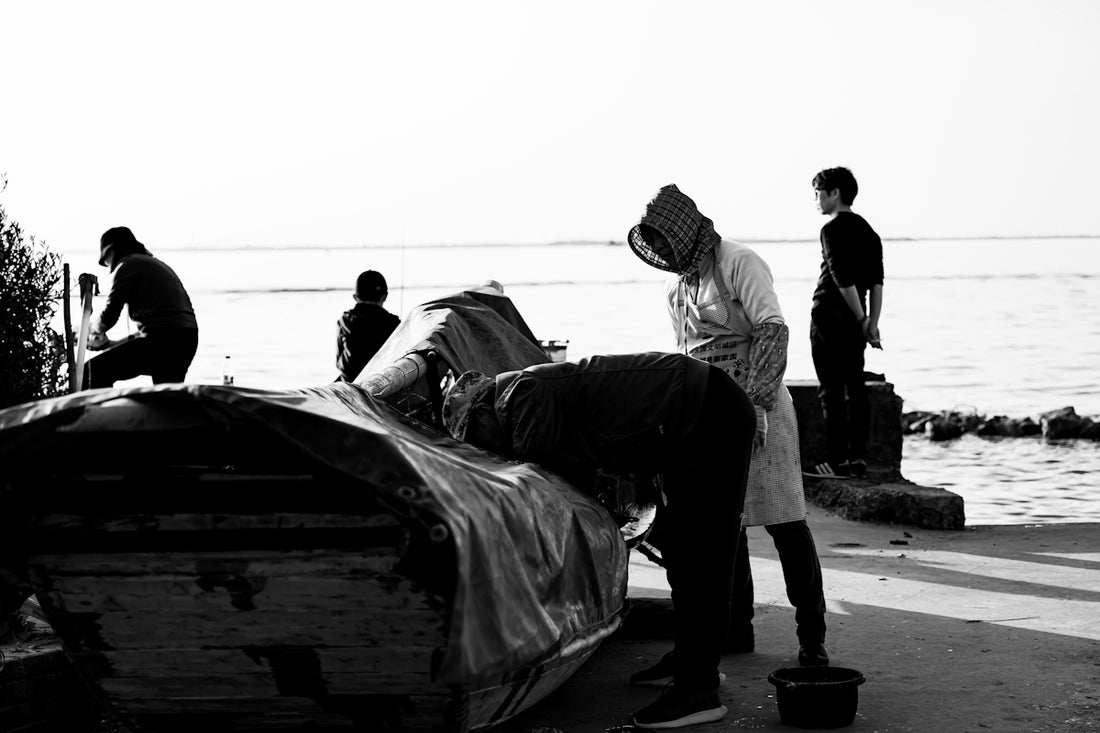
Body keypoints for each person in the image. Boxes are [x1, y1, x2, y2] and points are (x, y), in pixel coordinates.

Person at [442, 353, 755, 729]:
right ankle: (691, 662)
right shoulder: (526, 391)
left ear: (480, 413)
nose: (486, 451)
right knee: (686, 554)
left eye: (477, 438)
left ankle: (698, 689)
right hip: (688, 417)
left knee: (703, 554)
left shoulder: (521, 395)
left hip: (708, 414)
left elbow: (545, 479)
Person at [628, 184, 829, 668]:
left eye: (665, 239)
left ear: (685, 231)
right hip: (709, 413)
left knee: (785, 521)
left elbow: (772, 329)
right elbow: (686, 357)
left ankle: (812, 639)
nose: (662, 251)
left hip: (761, 407)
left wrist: (757, 402)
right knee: (727, 528)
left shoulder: (740, 261)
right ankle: (736, 629)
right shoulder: (678, 289)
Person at [804, 167, 884, 480]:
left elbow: (840, 278)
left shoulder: (832, 229)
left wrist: (863, 319)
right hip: (855, 320)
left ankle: (836, 462)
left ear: (834, 192)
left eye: (818, 193)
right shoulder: (869, 231)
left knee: (832, 391)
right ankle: (858, 459)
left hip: (828, 317)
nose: (816, 200)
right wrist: (870, 322)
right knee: (856, 387)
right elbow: (876, 282)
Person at [84, 227, 198, 388]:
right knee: (166, 399)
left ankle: (100, 412)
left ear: (112, 250)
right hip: (186, 340)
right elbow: (152, 328)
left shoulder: (127, 265)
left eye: (106, 260)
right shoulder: (153, 264)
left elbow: (110, 314)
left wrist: (91, 330)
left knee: (92, 371)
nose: (108, 266)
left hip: (163, 341)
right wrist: (112, 345)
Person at [335, 270, 400, 382]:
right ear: (384, 297)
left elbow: (339, 363)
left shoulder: (344, 321)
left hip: (350, 385)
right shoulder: (394, 324)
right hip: (381, 385)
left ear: (355, 297)